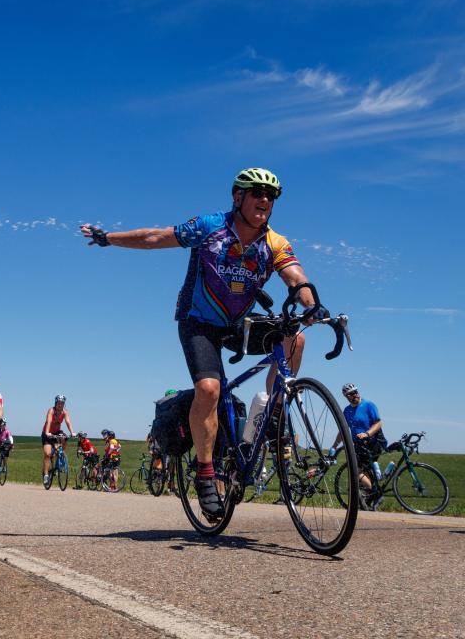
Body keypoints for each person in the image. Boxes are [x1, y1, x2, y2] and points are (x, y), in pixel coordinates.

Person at [81, 167, 326, 521]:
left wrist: (311, 304)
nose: (264, 199)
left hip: (238, 322)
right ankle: (206, 474)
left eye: (271, 195)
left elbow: (295, 276)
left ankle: (272, 416)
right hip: (198, 322)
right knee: (210, 390)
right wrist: (109, 238)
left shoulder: (274, 242)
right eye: (256, 191)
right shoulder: (211, 227)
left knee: (295, 338)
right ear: (238, 197)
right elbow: (155, 237)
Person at [333, 383, 387, 503]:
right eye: (351, 394)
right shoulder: (347, 411)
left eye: (356, 392)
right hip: (358, 445)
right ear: (346, 397)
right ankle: (370, 496)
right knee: (361, 471)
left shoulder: (368, 405)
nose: (355, 395)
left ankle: (374, 492)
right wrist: (334, 445)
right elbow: (343, 430)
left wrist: (367, 433)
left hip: (373, 442)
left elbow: (378, 424)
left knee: (356, 470)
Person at [41, 395, 76, 485]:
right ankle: (45, 475)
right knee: (47, 454)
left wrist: (72, 432)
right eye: (59, 403)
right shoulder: (51, 410)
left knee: (65, 439)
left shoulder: (65, 412)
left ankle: (60, 456)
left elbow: (68, 422)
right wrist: (47, 432)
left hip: (57, 432)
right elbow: (48, 421)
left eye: (62, 403)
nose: (60, 405)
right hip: (47, 433)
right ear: (56, 403)